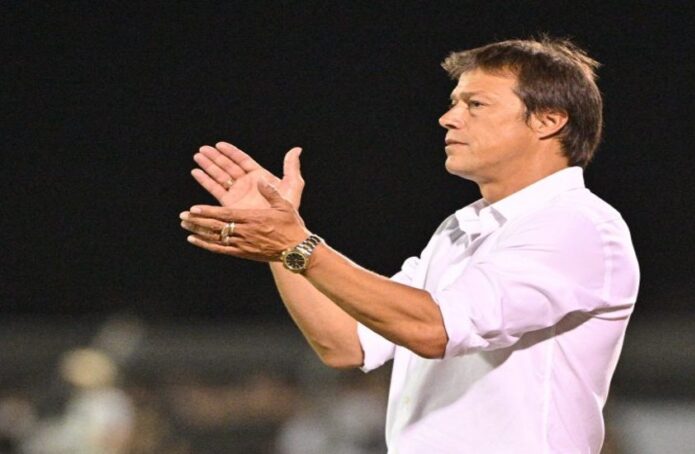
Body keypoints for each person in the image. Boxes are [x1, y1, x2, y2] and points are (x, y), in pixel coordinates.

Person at [179, 37, 640, 453]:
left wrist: (300, 245)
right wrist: (280, 245)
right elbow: (346, 343)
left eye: (475, 104)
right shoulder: (461, 228)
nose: (448, 117)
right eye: (454, 103)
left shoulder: (576, 224)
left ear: (548, 120)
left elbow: (435, 329)